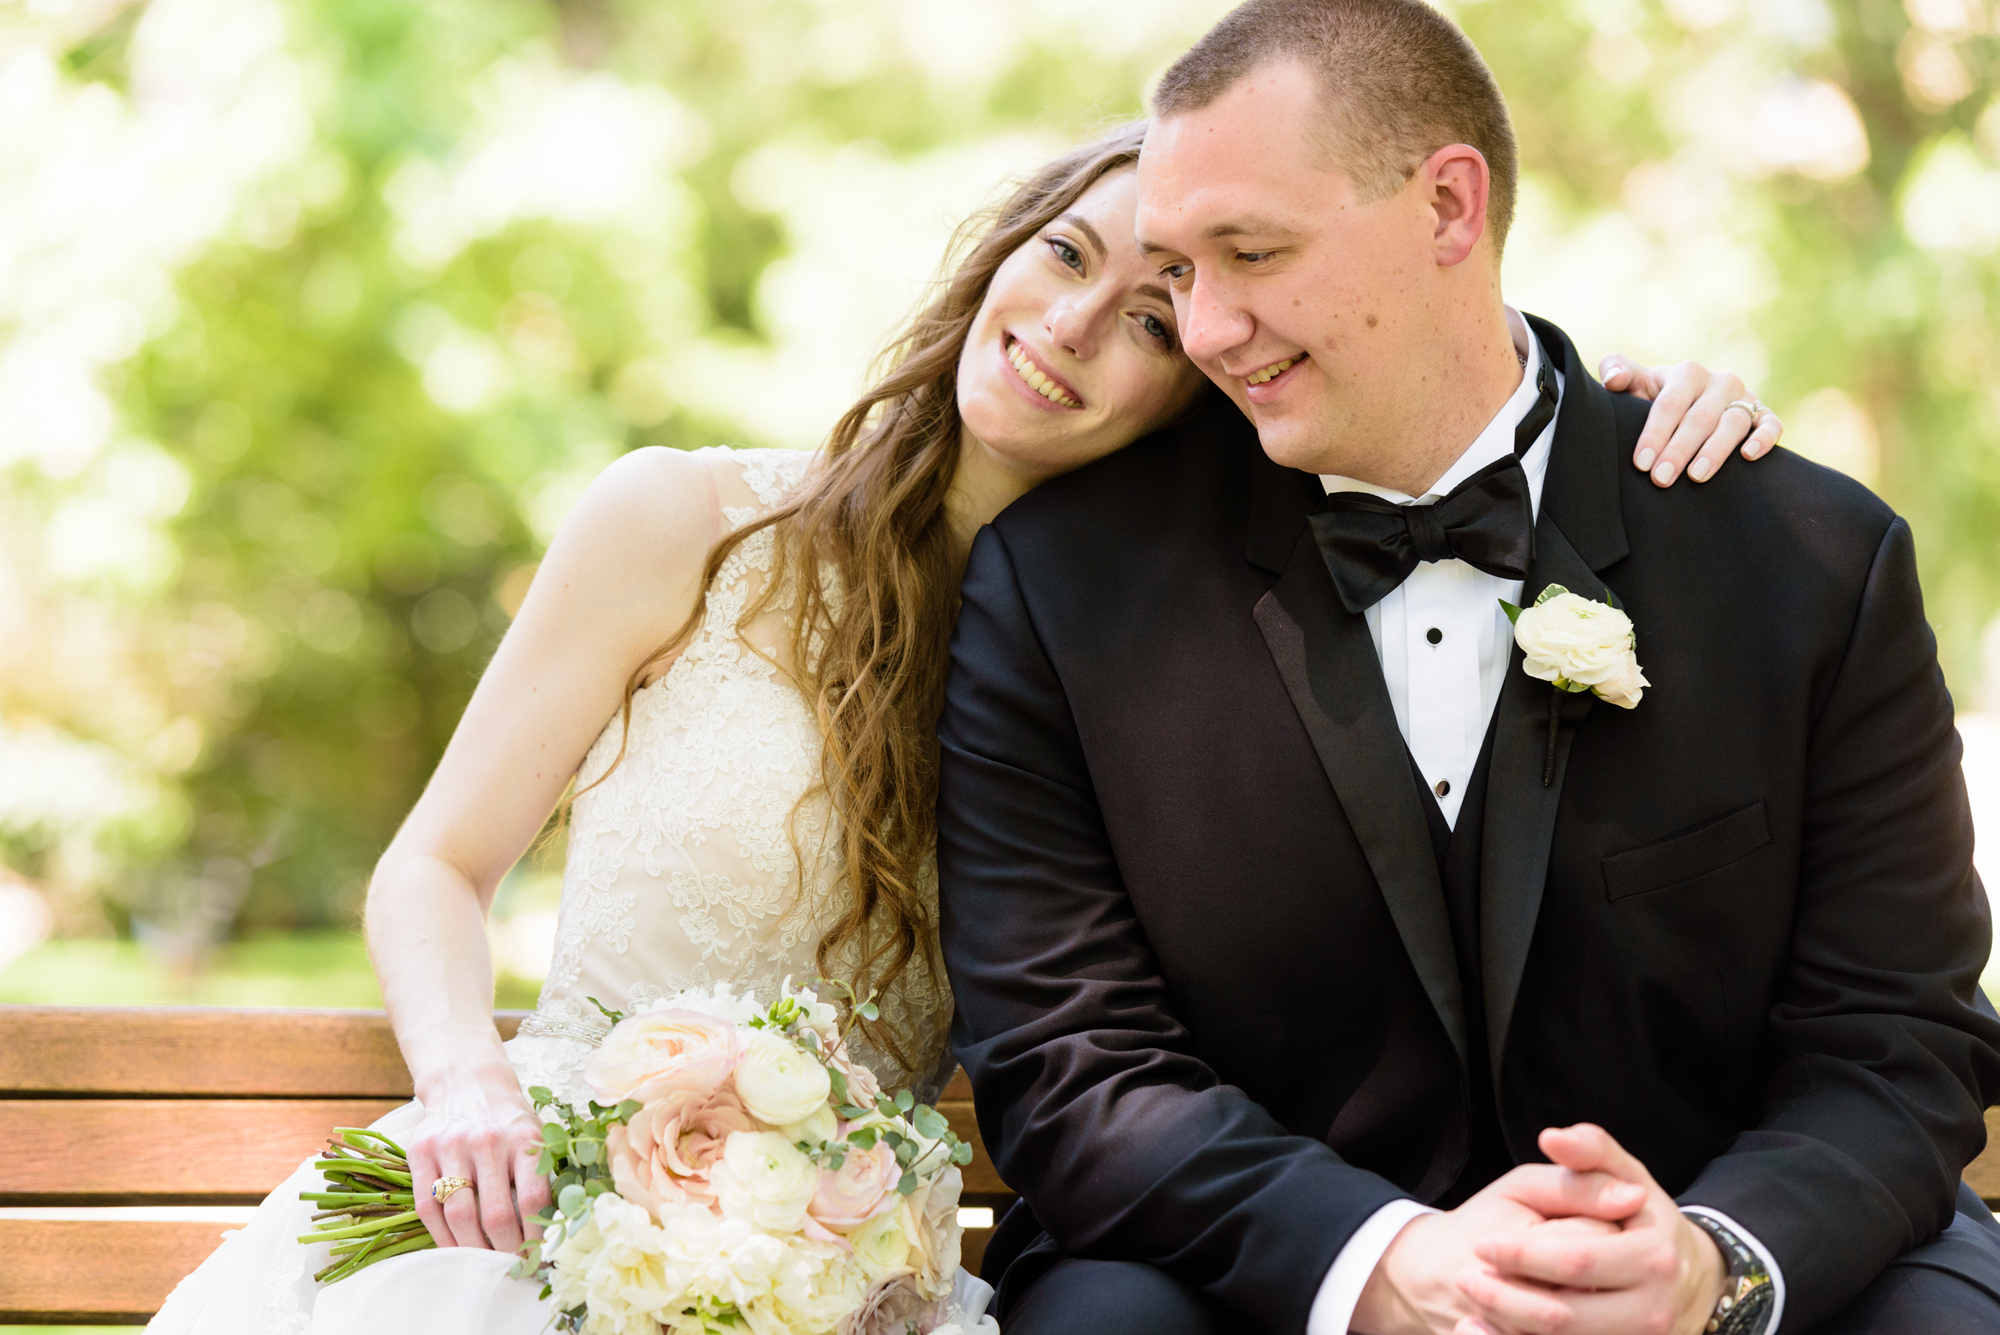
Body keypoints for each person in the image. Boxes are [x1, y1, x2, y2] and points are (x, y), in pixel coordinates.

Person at [146, 112, 1771, 1334]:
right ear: (1002, 252)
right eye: (1064, 255)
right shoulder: (684, 524)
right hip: (533, 1210)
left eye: (1152, 319)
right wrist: (468, 1083)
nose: (1068, 327)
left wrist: (1636, 418)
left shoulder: (1162, 655)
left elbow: (1449, 422)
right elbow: (433, 864)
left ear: (1209, 380)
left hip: (845, 1262)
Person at [935, 4, 2000, 1335]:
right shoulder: (1063, 586)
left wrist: (1710, 1264)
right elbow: (1069, 1057)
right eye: (1181, 274)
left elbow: (1895, 1033)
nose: (1206, 329)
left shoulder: (1805, 557)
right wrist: (1382, 1263)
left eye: (1250, 253)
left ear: (1449, 207)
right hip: (1259, 1275)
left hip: (1724, 1243)